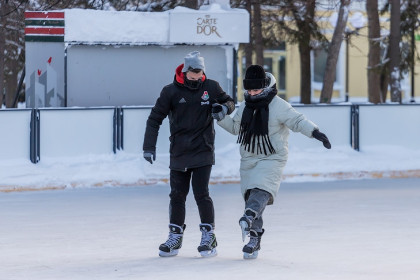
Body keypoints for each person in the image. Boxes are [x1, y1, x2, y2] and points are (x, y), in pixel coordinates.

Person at [213, 65, 331, 259]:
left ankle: (249, 216)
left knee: (261, 190)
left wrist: (315, 132)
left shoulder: (278, 105)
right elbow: (236, 128)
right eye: (249, 90)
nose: (252, 93)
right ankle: (254, 237)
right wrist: (220, 118)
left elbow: (298, 121)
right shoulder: (246, 106)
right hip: (249, 157)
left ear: (266, 87)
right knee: (251, 194)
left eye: (256, 90)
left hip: (272, 156)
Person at [143, 51, 235, 258]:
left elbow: (230, 103)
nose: (196, 78)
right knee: (177, 195)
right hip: (179, 151)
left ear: (203, 71)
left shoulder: (211, 87)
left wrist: (223, 108)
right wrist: (149, 146)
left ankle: (208, 236)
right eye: (192, 75)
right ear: (184, 72)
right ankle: (175, 236)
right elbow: (154, 119)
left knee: (201, 193)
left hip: (203, 149)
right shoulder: (171, 91)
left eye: (199, 74)